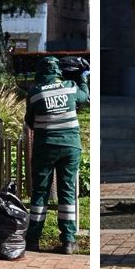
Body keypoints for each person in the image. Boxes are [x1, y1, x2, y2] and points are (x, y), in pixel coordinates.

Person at [24, 56, 90, 255]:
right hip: (70, 147)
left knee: (40, 192)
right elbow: (85, 96)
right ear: (57, 71)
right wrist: (82, 78)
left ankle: (33, 239)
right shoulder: (70, 87)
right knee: (67, 191)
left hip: (45, 147)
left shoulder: (35, 92)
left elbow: (30, 121)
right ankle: (68, 241)